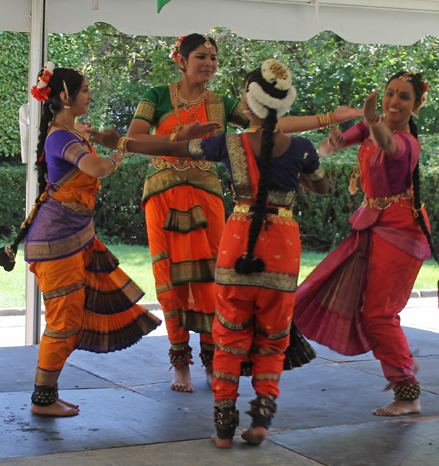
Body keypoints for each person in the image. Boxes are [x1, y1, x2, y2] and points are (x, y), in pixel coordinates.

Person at [89, 59, 330, 448]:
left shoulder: (228, 144)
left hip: (236, 243)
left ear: (248, 107)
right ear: (283, 106)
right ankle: (262, 418)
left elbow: (171, 146)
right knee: (273, 336)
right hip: (281, 249)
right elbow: (320, 187)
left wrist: (119, 142)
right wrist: (299, 168)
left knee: (229, 331)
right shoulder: (301, 149)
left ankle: (222, 426)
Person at [126, 32, 362, 392]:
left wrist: (327, 117)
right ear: (181, 60)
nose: (209, 63)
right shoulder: (156, 96)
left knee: (212, 280)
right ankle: (180, 361)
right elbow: (137, 139)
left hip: (206, 196)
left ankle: (211, 358)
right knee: (169, 280)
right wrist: (179, 135)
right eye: (201, 56)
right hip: (162, 193)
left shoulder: (220, 103)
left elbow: (268, 122)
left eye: (214, 58)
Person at [0, 62, 161, 417]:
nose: (90, 95)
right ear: (65, 96)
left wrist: (99, 139)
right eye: (85, 90)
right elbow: (98, 168)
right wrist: (121, 150)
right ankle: (43, 400)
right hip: (56, 244)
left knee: (70, 319)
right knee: (64, 322)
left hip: (73, 238)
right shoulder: (60, 137)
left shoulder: (68, 133)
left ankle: (47, 395)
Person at [294, 71, 435, 417]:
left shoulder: (406, 143)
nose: (394, 102)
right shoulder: (373, 126)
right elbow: (332, 146)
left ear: (417, 105)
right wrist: (332, 140)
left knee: (378, 312)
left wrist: (373, 121)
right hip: (373, 224)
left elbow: (387, 143)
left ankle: (408, 394)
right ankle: (400, 358)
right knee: (355, 299)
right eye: (390, 93)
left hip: (401, 231)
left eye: (404, 97)